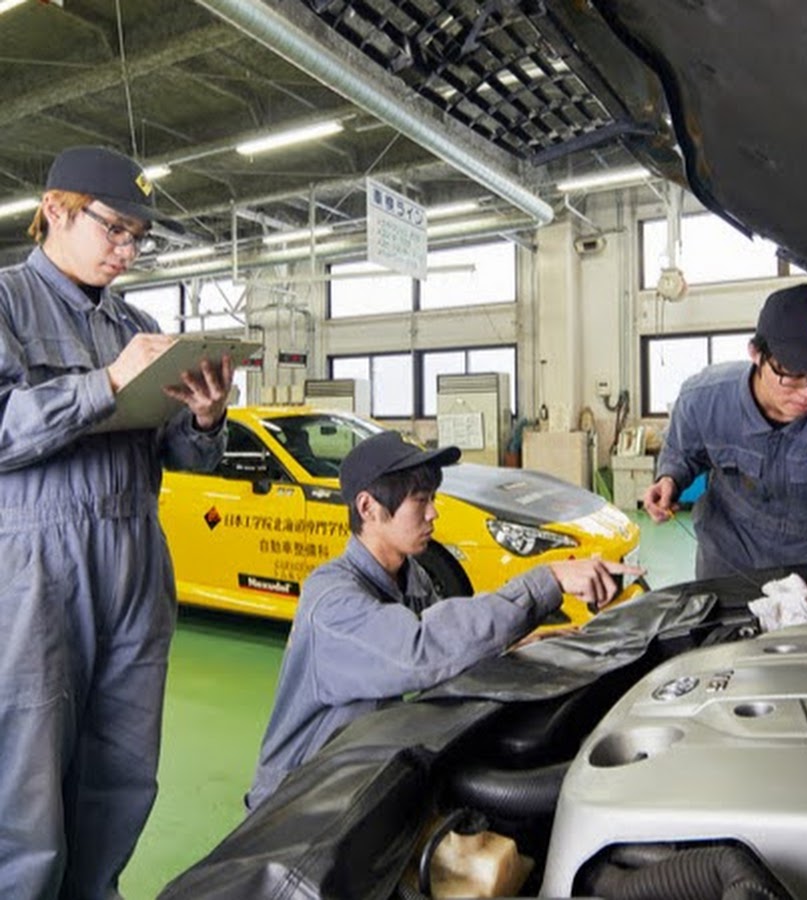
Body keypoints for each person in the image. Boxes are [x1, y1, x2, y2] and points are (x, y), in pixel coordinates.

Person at [0, 146, 234, 899]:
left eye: (139, 238)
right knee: (27, 777)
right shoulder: (6, 303)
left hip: (136, 558)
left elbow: (184, 458)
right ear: (58, 211)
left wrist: (204, 418)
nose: (128, 252)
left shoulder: (138, 323)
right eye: (116, 231)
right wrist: (103, 383)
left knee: (122, 770)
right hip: (37, 566)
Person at [247, 430, 641, 810]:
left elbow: (449, 652)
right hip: (296, 807)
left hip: (357, 776)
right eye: (420, 500)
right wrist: (548, 581)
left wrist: (521, 643)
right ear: (368, 508)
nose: (434, 512)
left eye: (432, 497)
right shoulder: (331, 604)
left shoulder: (410, 576)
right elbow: (422, 651)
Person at [642, 282, 807, 606]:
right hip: (728, 561)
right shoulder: (703, 398)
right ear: (756, 353)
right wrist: (670, 479)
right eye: (792, 374)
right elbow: (682, 451)